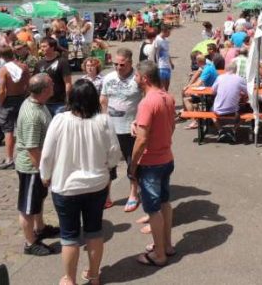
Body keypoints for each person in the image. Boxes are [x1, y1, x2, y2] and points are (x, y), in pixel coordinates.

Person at [40, 79, 121, 285]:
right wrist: (107, 166)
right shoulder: (104, 121)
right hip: (96, 184)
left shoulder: (59, 120)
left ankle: (70, 278)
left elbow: (47, 154)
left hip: (66, 187)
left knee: (69, 236)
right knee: (94, 231)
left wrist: (45, 175)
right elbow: (114, 154)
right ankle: (94, 275)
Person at [130, 60, 176, 267]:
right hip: (166, 157)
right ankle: (166, 245)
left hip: (151, 162)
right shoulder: (167, 96)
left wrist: (133, 164)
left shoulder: (147, 102)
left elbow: (141, 139)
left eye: (137, 75)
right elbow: (170, 125)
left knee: (153, 209)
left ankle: (159, 254)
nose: (135, 78)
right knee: (165, 202)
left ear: (144, 78)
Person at [15, 74, 60, 256]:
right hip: (32, 168)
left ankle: (40, 228)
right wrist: (44, 172)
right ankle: (30, 242)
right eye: (51, 84)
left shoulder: (36, 103)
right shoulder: (33, 115)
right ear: (43, 90)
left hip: (37, 166)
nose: (53, 86)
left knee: (38, 200)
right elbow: (32, 148)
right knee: (28, 207)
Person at [100, 48, 143, 213]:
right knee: (107, 163)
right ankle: (107, 196)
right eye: (115, 64)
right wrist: (103, 120)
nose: (118, 67)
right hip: (110, 128)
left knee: (132, 162)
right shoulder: (108, 78)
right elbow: (103, 99)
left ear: (130, 63)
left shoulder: (137, 79)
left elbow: (146, 99)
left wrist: (139, 120)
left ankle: (133, 193)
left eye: (122, 65)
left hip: (129, 128)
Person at [0, 46, 30, 170]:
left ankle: (9, 158)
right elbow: (28, 84)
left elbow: (2, 90)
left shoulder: (4, 70)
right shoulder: (24, 67)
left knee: (8, 131)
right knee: (23, 128)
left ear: (2, 57)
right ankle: (28, 155)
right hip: (21, 97)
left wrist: (1, 102)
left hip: (9, 100)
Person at [35, 37, 72, 116]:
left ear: (52, 47)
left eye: (44, 46)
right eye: (41, 46)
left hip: (59, 103)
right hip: (44, 102)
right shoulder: (39, 64)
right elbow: (36, 83)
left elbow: (68, 83)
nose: (42, 49)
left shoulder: (62, 62)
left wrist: (68, 100)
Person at [152, 24, 174, 91]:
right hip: (160, 66)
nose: (170, 34)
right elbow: (154, 53)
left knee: (167, 87)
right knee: (162, 88)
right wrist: (155, 65)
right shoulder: (157, 40)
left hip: (167, 66)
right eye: (169, 32)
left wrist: (171, 62)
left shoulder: (166, 39)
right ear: (164, 31)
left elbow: (167, 52)